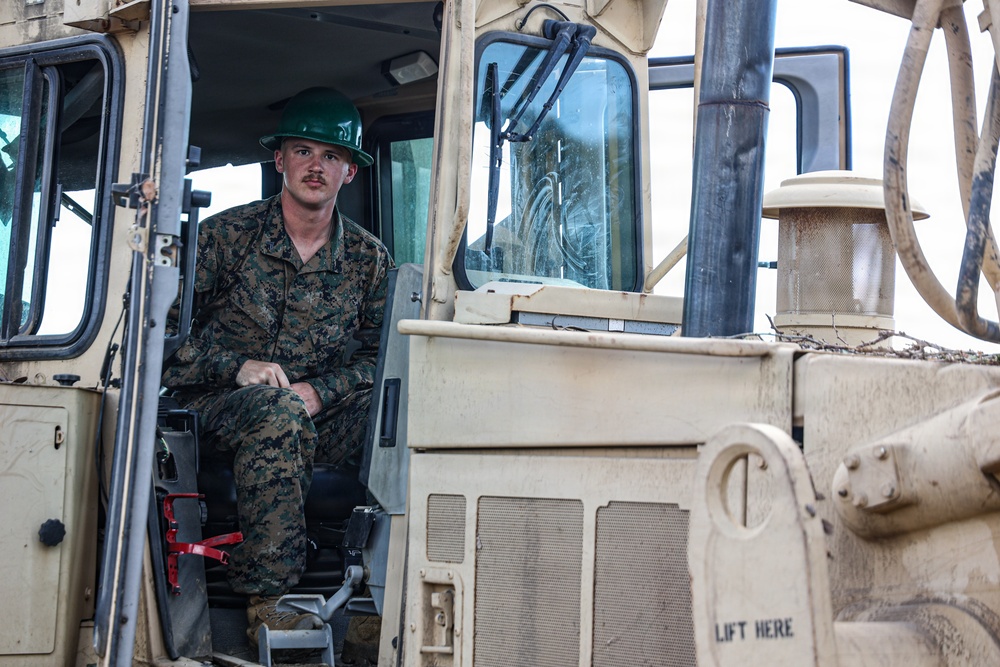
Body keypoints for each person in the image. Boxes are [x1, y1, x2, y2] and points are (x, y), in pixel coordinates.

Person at [161, 87, 393, 642]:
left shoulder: (368, 259)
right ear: (279, 160)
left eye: (332, 156)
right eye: (304, 151)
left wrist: (322, 390)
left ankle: (377, 600)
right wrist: (238, 366)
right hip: (218, 409)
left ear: (350, 174)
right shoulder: (224, 237)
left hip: (313, 408)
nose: (317, 166)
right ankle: (272, 601)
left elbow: (379, 358)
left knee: (399, 417)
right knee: (276, 413)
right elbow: (161, 340)